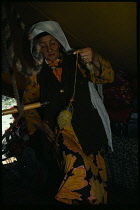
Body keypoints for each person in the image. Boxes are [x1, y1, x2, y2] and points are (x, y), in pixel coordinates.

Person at [22, 20, 114, 205]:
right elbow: (27, 106)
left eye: (52, 43)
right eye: (43, 45)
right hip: (61, 131)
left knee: (97, 175)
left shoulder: (78, 62)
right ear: (37, 49)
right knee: (77, 167)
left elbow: (107, 77)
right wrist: (39, 124)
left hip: (88, 128)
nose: (49, 49)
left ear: (60, 42)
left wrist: (95, 58)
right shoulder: (35, 75)